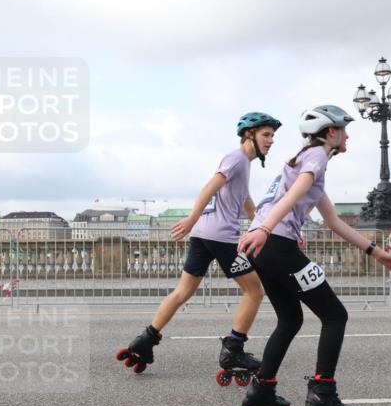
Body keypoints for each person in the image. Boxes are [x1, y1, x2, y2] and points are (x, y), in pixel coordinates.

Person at [234, 105, 391, 406]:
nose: (347, 136)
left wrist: (377, 252)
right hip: (275, 244)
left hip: (265, 249)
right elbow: (297, 194)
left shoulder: (300, 160)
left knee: (290, 320)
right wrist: (268, 229)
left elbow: (333, 221)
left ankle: (261, 392)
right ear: (331, 133)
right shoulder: (317, 156)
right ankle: (322, 397)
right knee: (335, 315)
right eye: (344, 129)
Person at [116, 112, 280, 383]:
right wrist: (191, 219)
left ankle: (145, 341)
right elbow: (209, 187)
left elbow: (245, 199)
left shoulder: (244, 164)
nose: (271, 141)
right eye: (266, 135)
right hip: (220, 237)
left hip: (205, 235)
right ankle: (234, 350)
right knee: (254, 291)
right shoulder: (236, 158)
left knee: (183, 292)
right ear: (249, 135)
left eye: (272, 136)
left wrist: (260, 225)